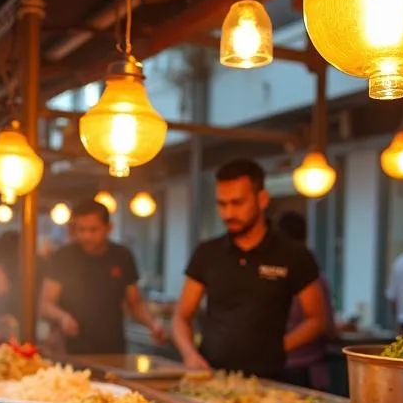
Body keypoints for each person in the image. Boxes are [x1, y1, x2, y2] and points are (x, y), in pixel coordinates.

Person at [172, 159, 327, 379]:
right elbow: (181, 316)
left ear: (262, 199)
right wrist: (189, 354)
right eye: (222, 204)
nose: (228, 213)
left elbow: (316, 319)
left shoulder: (293, 254)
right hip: (211, 376)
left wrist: (279, 347)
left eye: (237, 203)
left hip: (269, 379)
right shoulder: (207, 253)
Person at [40, 199, 167, 355]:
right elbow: (46, 304)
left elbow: (134, 302)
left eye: (93, 230)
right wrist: (63, 317)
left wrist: (153, 325)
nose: (86, 236)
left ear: (109, 228)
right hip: (70, 348)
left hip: (112, 348)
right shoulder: (64, 256)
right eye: (81, 230)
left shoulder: (122, 256)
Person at [276, 211, 336, 389]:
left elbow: (321, 323)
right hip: (305, 366)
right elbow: (328, 328)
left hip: (281, 366)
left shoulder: (274, 274)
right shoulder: (315, 276)